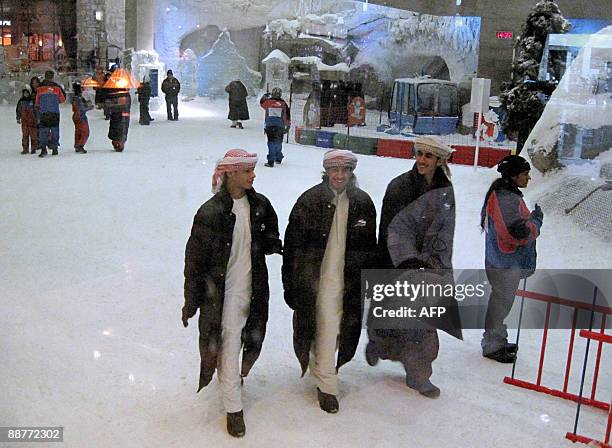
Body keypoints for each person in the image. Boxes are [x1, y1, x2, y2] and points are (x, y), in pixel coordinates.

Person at [182, 149, 282, 438]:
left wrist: (272, 243)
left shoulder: (260, 205)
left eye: (253, 170)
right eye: (247, 171)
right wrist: (191, 301)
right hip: (223, 295)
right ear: (230, 174)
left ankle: (232, 380)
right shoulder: (210, 213)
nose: (253, 175)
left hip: (254, 289)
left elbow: (268, 233)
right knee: (227, 343)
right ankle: (233, 407)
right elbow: (194, 262)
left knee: (249, 339)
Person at [282, 149, 377, 414]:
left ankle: (320, 365)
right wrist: (290, 285)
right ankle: (327, 384)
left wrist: (367, 281)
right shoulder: (309, 202)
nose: (340, 175)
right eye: (334, 170)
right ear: (326, 172)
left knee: (336, 331)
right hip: (316, 281)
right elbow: (292, 248)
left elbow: (370, 247)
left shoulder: (363, 203)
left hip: (347, 282)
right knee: (325, 327)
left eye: (345, 170)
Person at [365, 136, 459, 399]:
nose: (421, 160)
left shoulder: (445, 189)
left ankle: (419, 374)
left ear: (439, 160)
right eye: (419, 154)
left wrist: (437, 264)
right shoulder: (399, 187)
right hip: (397, 263)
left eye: (428, 156)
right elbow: (392, 229)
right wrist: (407, 260)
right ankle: (380, 345)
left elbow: (445, 231)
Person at [480, 155, 542, 363]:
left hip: (502, 261)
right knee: (500, 303)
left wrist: (530, 218)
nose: (528, 178)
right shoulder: (506, 198)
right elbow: (517, 233)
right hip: (504, 263)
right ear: (514, 176)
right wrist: (535, 222)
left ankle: (496, 339)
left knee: (501, 303)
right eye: (525, 174)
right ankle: (492, 345)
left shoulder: (507, 195)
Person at [35, 70, 66, 157]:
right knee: (55, 130)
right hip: (54, 112)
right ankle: (55, 148)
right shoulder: (57, 88)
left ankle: (44, 149)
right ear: (52, 77)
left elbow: (37, 102)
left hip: (43, 112)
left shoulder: (40, 88)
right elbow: (62, 100)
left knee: (43, 131)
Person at [260, 87, 290, 167]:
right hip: (280, 126)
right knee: (278, 142)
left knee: (271, 143)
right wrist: (288, 126)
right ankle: (278, 158)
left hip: (269, 126)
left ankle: (271, 160)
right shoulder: (283, 103)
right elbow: (287, 115)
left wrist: (265, 96)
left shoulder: (268, 102)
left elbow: (261, 103)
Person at [71, 82, 93, 154]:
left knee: (78, 132)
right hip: (80, 116)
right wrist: (89, 107)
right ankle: (80, 145)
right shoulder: (78, 98)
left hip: (76, 116)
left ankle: (77, 144)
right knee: (85, 132)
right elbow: (81, 108)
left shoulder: (75, 98)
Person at [16, 86, 38, 155]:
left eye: (27, 93)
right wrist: (18, 118)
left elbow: (36, 110)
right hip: (24, 121)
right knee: (25, 136)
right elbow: (18, 110)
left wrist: (38, 118)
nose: (26, 94)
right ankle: (25, 148)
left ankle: (33, 148)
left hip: (32, 121)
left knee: (33, 136)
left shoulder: (32, 101)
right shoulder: (21, 102)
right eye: (24, 93)